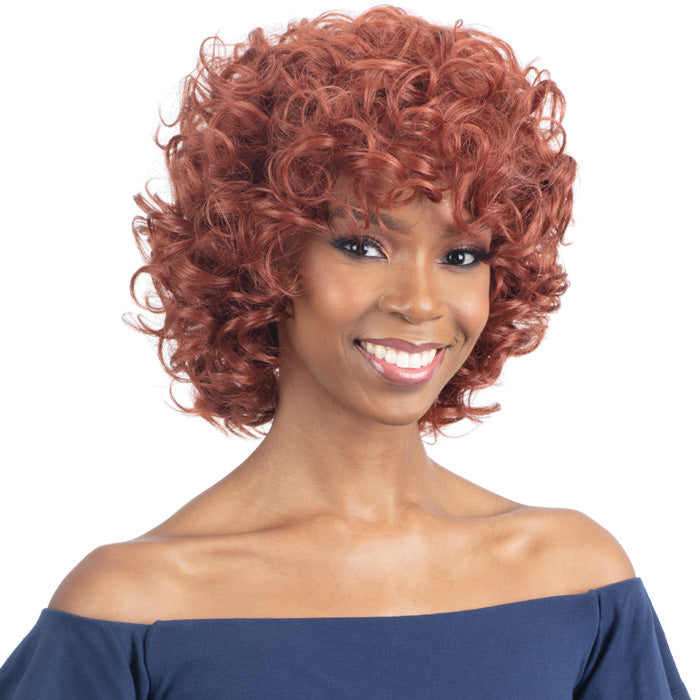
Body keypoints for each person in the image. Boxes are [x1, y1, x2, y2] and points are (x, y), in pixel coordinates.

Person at [0, 6, 691, 698]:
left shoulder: (575, 583)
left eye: (460, 255)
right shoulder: (134, 610)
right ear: (264, 259)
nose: (420, 302)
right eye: (363, 245)